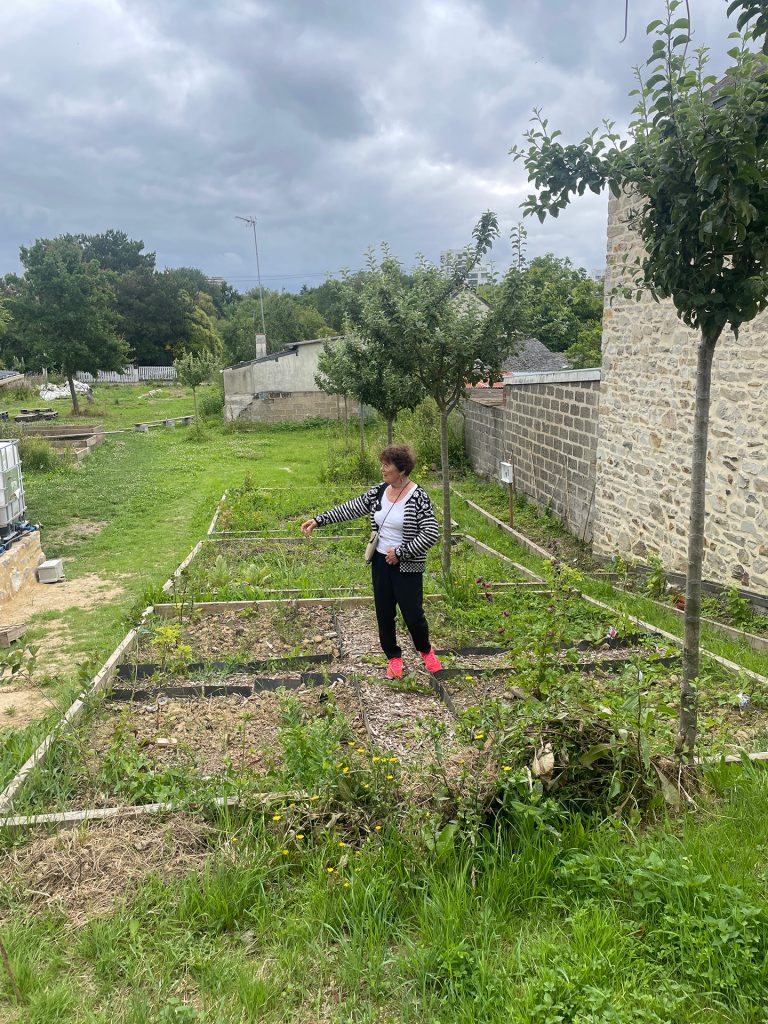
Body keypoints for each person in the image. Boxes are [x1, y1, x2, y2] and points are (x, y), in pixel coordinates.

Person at [301, 444, 442, 678]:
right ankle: (394, 658)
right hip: (380, 563)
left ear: (402, 469)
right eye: (382, 464)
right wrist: (319, 520)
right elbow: (351, 508)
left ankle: (426, 651)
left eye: (387, 465)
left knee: (413, 614)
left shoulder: (418, 497)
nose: (382, 469)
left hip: (406, 565)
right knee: (384, 613)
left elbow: (430, 533)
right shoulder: (379, 492)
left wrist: (401, 552)